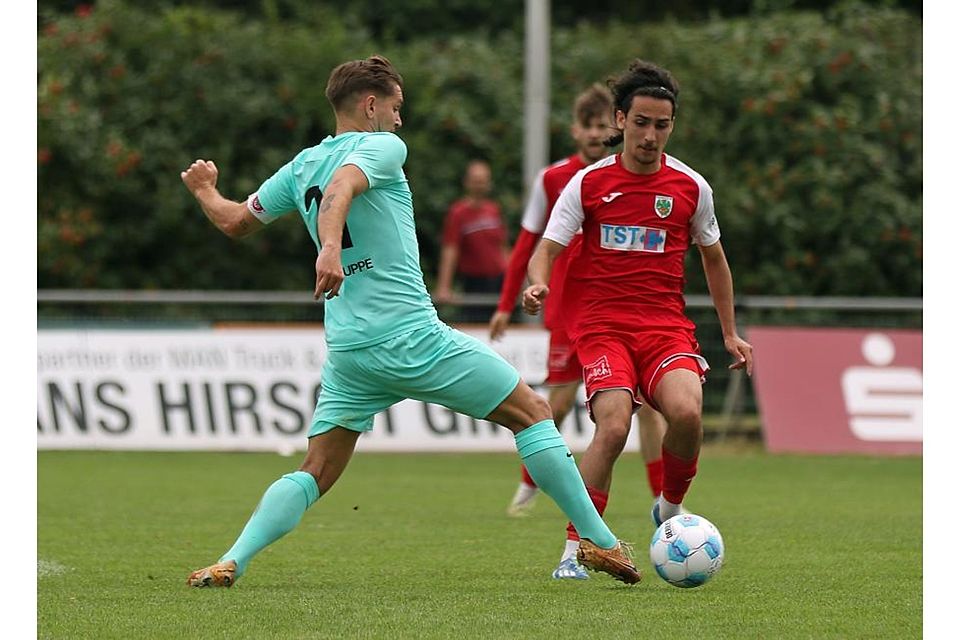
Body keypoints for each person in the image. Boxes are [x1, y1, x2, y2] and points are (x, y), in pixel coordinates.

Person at [179, 54, 640, 588]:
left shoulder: (299, 165)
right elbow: (342, 191)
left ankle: (233, 558)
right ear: (371, 105)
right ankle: (599, 542)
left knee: (316, 470)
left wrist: (204, 191)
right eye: (396, 107)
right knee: (533, 412)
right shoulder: (381, 146)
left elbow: (236, 221)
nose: (401, 119)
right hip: (410, 336)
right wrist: (330, 247)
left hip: (350, 350)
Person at [522, 59, 754, 579]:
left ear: (672, 126)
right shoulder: (588, 184)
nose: (651, 136)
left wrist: (731, 332)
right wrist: (538, 281)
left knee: (689, 414)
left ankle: (669, 509)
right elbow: (546, 249)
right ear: (621, 120)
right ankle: (576, 550)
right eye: (642, 122)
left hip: (665, 328)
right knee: (611, 428)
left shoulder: (691, 187)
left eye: (662, 125)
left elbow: (714, 259)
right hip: (603, 329)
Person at [489, 85, 668, 578]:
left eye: (600, 129)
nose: (595, 135)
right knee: (560, 408)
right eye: (586, 127)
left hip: (621, 316)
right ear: (576, 130)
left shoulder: (632, 179)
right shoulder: (559, 181)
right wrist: (509, 302)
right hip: (569, 313)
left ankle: (664, 508)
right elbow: (529, 243)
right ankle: (534, 486)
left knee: (648, 409)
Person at [434, 159, 509, 322]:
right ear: (467, 183)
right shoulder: (458, 212)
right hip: (474, 283)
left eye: (483, 181)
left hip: (499, 281)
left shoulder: (493, 209)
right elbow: (450, 249)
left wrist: (513, 280)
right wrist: (444, 286)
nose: (480, 186)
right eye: (476, 181)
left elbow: (502, 246)